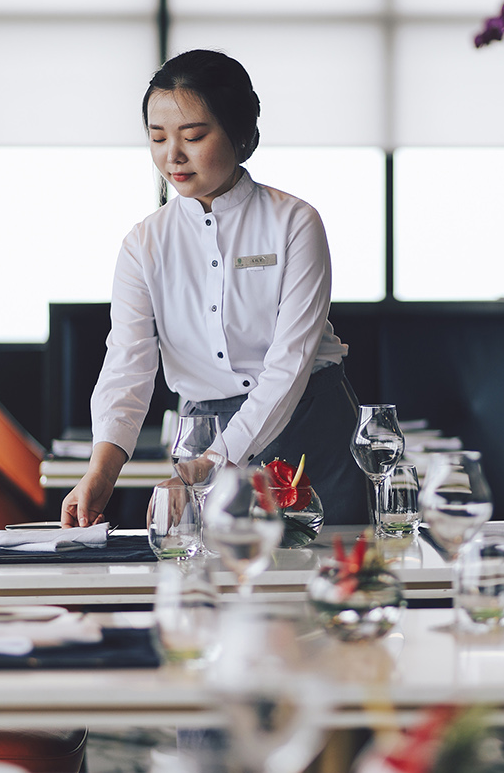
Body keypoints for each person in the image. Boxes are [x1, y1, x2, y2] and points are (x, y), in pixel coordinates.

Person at [61, 48, 368, 528]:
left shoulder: (294, 223)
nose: (172, 155)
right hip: (203, 434)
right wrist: (102, 471)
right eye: (157, 137)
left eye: (194, 136)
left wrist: (213, 461)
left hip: (308, 425)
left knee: (328, 589)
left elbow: (289, 364)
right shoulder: (144, 244)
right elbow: (128, 366)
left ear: (243, 136)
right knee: (212, 590)